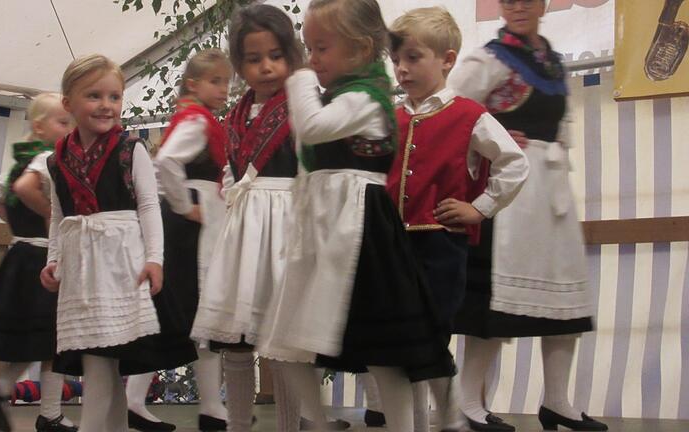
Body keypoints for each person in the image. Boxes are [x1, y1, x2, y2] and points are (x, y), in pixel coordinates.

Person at [258, 1, 455, 430]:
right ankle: (315, 419)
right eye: (308, 48)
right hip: (321, 226)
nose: (311, 60)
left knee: (385, 348)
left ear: (361, 49)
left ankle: (403, 424)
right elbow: (310, 157)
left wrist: (300, 80)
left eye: (321, 48)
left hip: (360, 228)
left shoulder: (367, 97)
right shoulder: (336, 94)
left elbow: (312, 127)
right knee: (285, 339)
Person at [448, 0, 607, 430]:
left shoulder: (553, 61)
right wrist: (492, 137)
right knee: (497, 302)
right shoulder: (489, 58)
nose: (518, 6)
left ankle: (557, 400)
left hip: (551, 192)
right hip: (510, 192)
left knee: (564, 298)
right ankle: (466, 401)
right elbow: (451, 113)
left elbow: (562, 125)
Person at [387, 7, 529, 431]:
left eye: (414, 58)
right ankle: (410, 421)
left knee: (431, 334)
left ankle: (448, 418)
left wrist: (479, 208)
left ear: (446, 60)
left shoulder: (469, 115)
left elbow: (514, 164)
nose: (402, 68)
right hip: (394, 246)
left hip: (439, 246)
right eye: (397, 60)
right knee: (399, 336)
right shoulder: (393, 118)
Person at [40, 54, 197, 431]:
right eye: (94, 96)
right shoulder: (56, 160)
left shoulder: (131, 150)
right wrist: (54, 259)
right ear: (68, 103)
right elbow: (59, 216)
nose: (106, 106)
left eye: (114, 97)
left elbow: (149, 206)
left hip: (122, 267)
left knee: (102, 362)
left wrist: (155, 260)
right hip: (82, 272)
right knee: (98, 361)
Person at [187, 5, 304, 431]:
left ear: (291, 54)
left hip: (285, 232)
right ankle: (238, 424)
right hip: (241, 237)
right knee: (235, 343)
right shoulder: (234, 117)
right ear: (239, 64)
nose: (267, 67)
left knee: (284, 347)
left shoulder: (302, 109)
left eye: (275, 55)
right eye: (254, 59)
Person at [127, 48, 232, 432]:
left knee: (179, 315)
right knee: (202, 315)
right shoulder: (197, 121)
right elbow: (166, 162)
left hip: (191, 223)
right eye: (216, 81)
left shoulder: (194, 119)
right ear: (194, 84)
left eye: (226, 81)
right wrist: (186, 207)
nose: (224, 89)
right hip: (192, 228)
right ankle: (210, 407)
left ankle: (139, 401)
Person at [0, 93, 76, 432]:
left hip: (21, 253)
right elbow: (22, 188)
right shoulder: (46, 159)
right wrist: (49, 215)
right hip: (42, 256)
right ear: (39, 126)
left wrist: (15, 223)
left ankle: (2, 389)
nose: (69, 129)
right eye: (63, 122)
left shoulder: (22, 158)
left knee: (37, 338)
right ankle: (49, 414)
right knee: (53, 339)